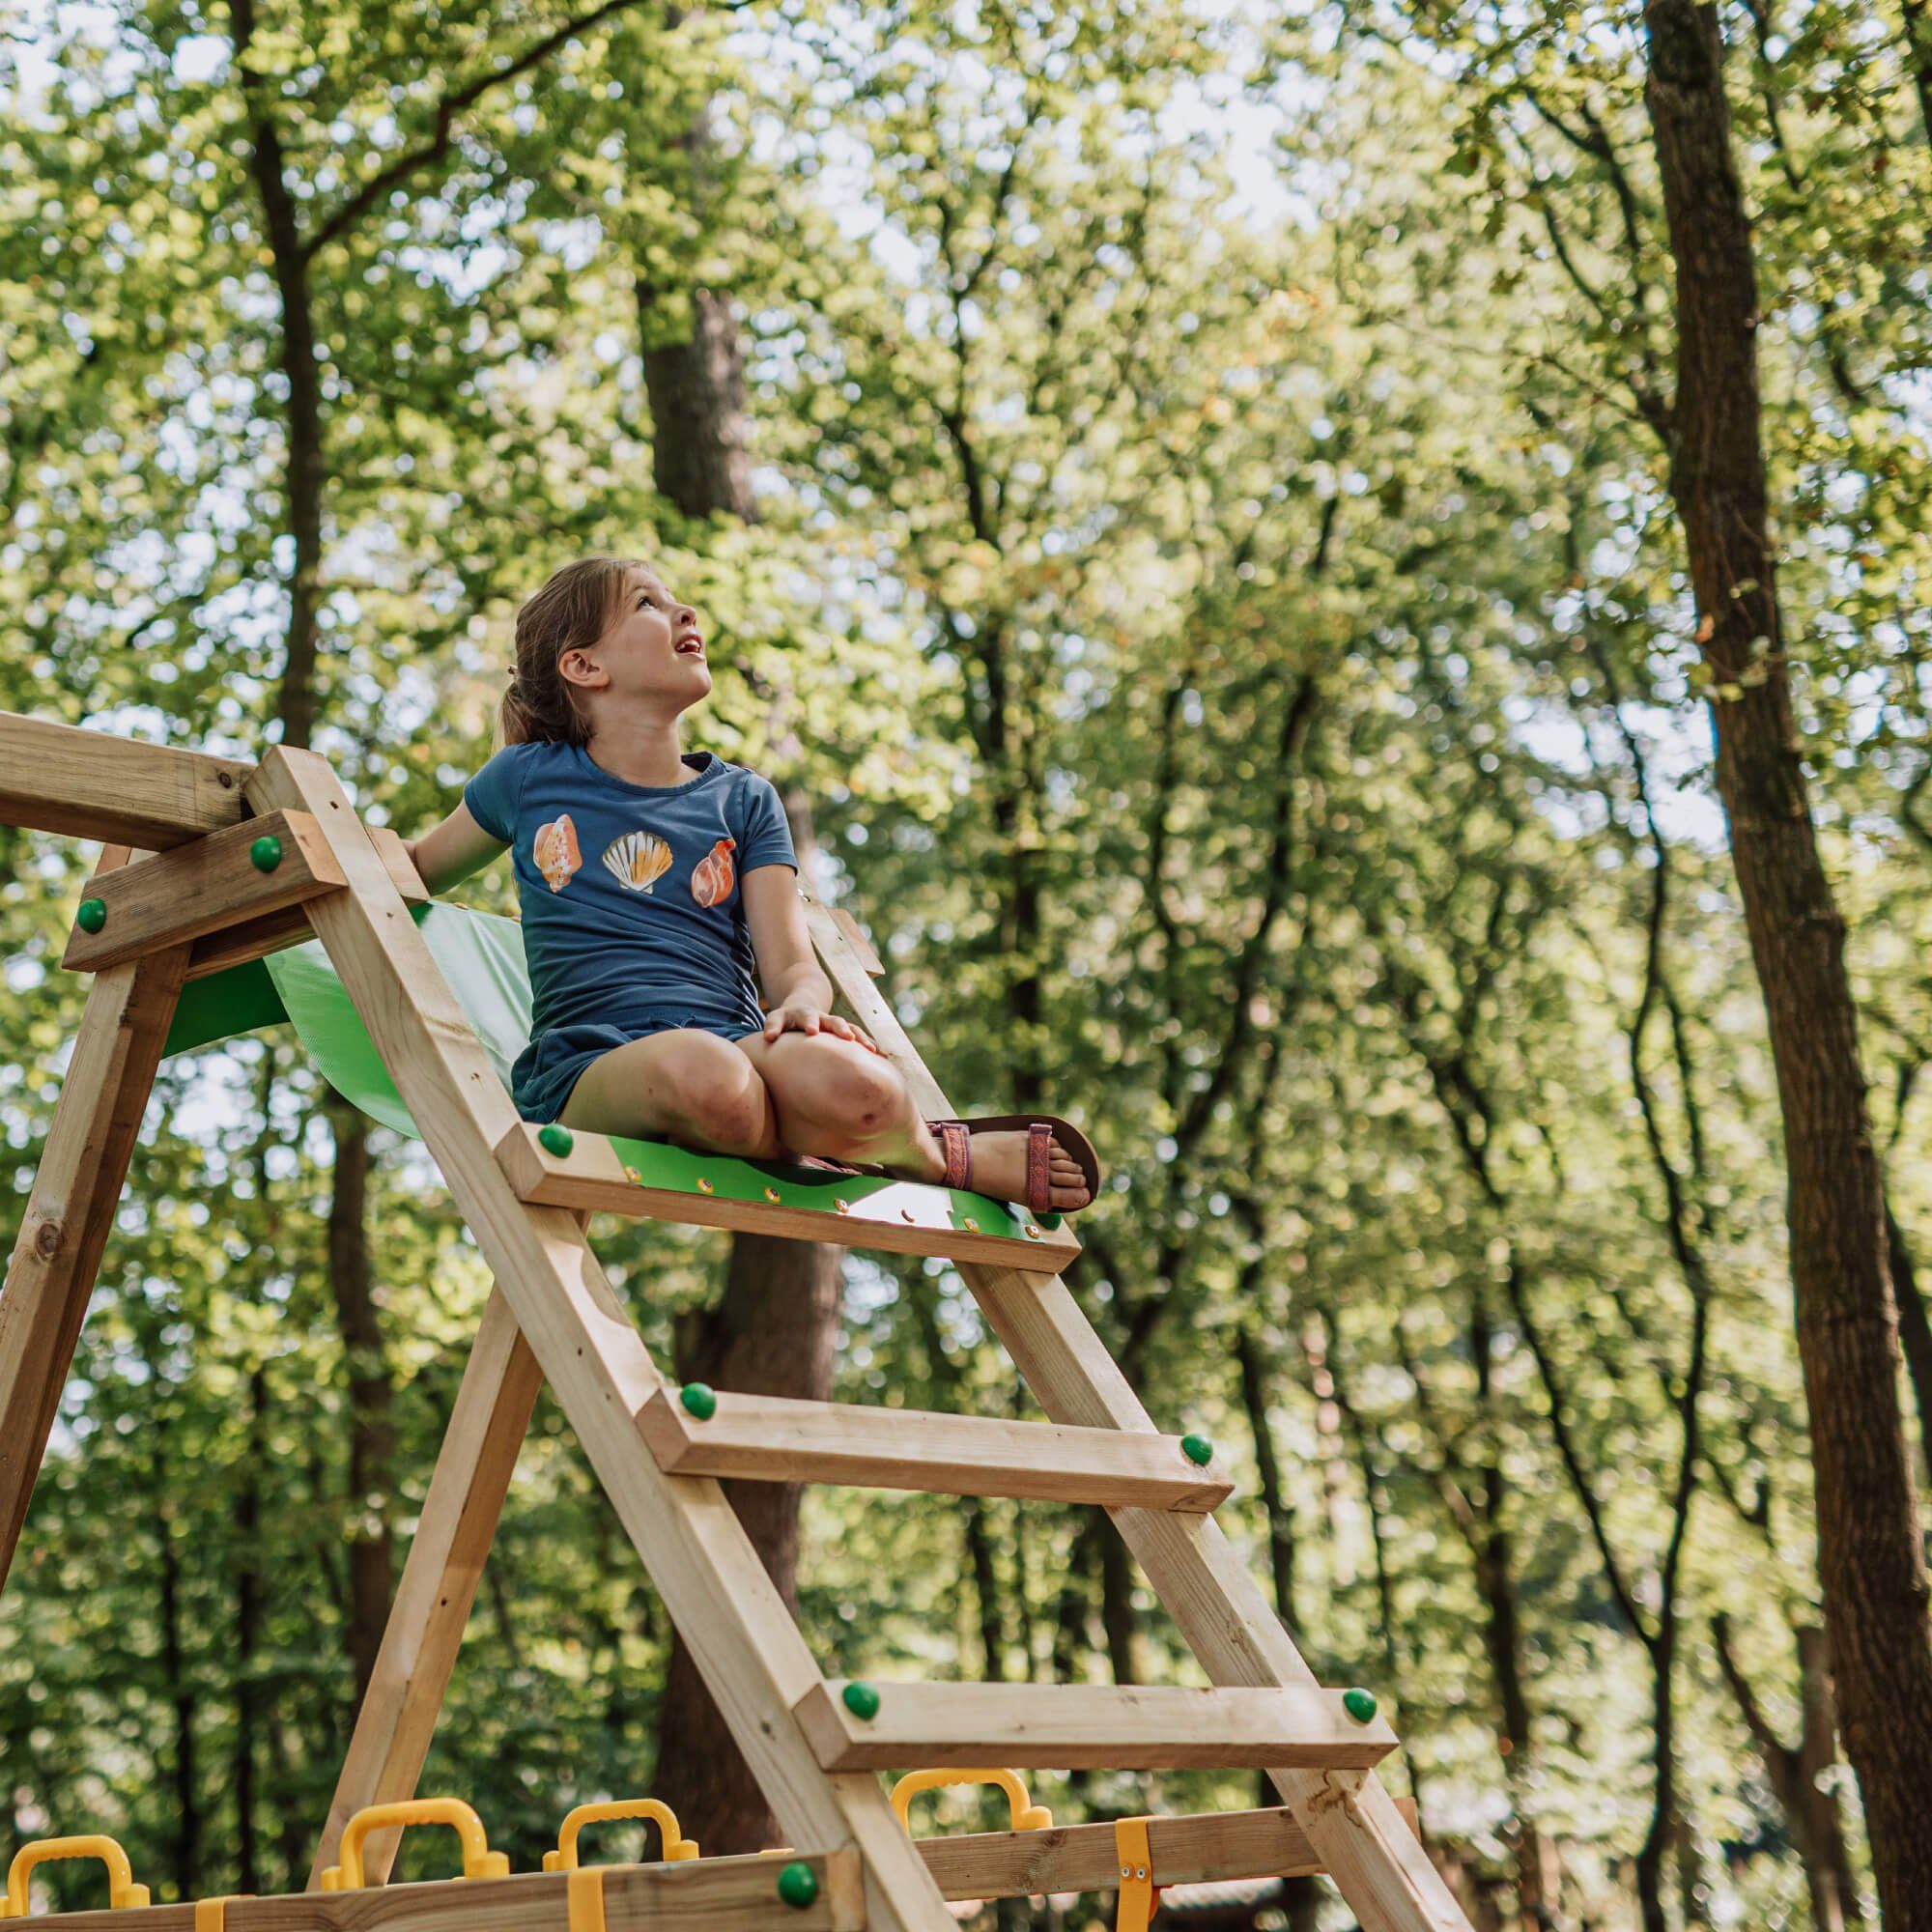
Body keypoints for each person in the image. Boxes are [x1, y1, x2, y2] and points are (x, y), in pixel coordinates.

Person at [404, 555, 1097, 1216]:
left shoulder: (743, 799)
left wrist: (800, 1002)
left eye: (675, 599)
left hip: (736, 1040)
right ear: (585, 666)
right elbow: (417, 868)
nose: (683, 610)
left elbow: (791, 961)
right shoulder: (527, 779)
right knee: (709, 1079)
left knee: (865, 1089)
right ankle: (831, 1144)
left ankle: (929, 1153)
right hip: (591, 1069)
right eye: (648, 603)